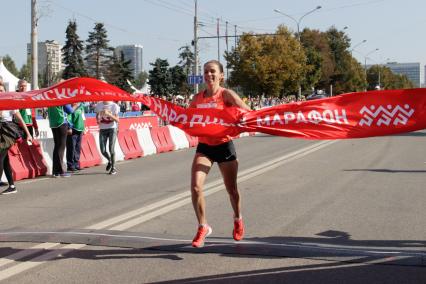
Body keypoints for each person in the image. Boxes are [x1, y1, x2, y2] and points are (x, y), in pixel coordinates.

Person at [189, 60, 251, 248]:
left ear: (221, 75)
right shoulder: (197, 98)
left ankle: (238, 219)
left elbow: (248, 112)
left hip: (224, 146)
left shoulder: (226, 94)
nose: (209, 75)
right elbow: (186, 117)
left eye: (213, 71)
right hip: (205, 147)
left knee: (231, 190)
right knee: (196, 187)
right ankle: (203, 226)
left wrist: (241, 120)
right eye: (206, 72)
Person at [0, 82, 32, 194]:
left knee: (0, 157)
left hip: (7, 132)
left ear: (5, 92)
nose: (0, 93)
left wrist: (28, 134)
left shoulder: (10, 103)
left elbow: (20, 119)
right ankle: (12, 186)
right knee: (5, 160)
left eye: (1, 91)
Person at [48, 104, 74, 178]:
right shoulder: (60, 96)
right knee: (61, 147)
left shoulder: (49, 97)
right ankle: (60, 171)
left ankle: (55, 171)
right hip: (61, 122)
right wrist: (77, 105)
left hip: (53, 123)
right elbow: (70, 110)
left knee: (57, 146)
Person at [95, 101, 119, 175]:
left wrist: (109, 114)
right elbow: (97, 116)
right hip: (102, 128)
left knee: (111, 149)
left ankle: (113, 168)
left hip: (112, 128)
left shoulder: (114, 105)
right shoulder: (98, 105)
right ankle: (110, 160)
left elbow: (117, 119)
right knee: (103, 150)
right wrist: (98, 119)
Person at [66, 103, 85, 172]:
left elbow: (83, 118)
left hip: (80, 129)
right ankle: (70, 165)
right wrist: (69, 127)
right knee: (71, 148)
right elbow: (67, 117)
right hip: (72, 129)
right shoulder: (69, 107)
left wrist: (84, 128)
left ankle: (76, 164)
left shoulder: (81, 106)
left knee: (78, 148)